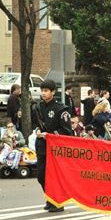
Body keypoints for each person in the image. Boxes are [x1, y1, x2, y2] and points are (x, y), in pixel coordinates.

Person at [34, 79, 73, 212]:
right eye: (42, 90)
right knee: (41, 176)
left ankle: (57, 202)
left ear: (53, 92)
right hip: (42, 146)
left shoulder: (61, 109)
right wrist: (38, 131)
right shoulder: (38, 107)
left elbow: (68, 131)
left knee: (54, 176)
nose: (43, 93)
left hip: (55, 148)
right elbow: (37, 125)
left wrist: (50, 135)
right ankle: (51, 198)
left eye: (46, 91)